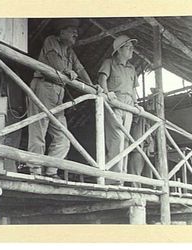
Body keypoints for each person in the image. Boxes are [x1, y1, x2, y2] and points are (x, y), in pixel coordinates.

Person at [28, 18, 93, 179]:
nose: (75, 34)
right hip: (43, 87)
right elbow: (55, 63)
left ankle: (51, 171)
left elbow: (80, 69)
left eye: (76, 31)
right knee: (38, 131)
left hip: (58, 93)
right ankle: (35, 170)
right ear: (62, 32)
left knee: (63, 137)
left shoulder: (70, 51)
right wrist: (66, 71)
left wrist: (93, 86)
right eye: (72, 30)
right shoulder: (51, 41)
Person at [97, 35, 143, 183]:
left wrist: (136, 104)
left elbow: (133, 89)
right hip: (115, 104)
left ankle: (121, 177)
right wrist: (106, 92)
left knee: (126, 142)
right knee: (116, 140)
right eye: (128, 47)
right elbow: (102, 80)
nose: (132, 50)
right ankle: (113, 178)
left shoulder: (132, 68)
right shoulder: (109, 63)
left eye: (132, 47)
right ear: (119, 50)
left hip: (128, 106)